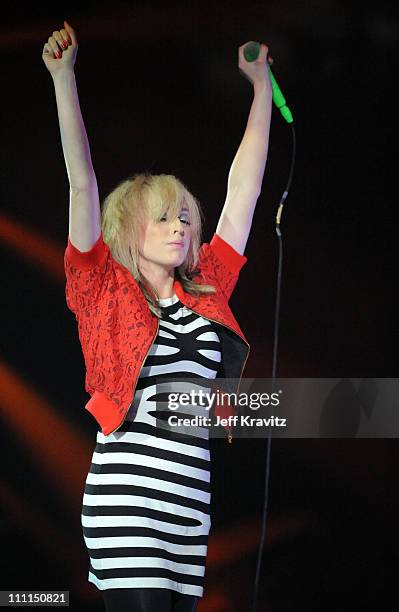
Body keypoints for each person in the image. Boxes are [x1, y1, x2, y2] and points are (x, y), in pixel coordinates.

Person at [42, 20, 273, 612]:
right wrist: (64, 81)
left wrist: (260, 90)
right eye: (164, 218)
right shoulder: (101, 287)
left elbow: (243, 192)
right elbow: (81, 183)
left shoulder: (207, 289)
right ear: (128, 231)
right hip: (128, 504)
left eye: (185, 218)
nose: (180, 227)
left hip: (188, 513)